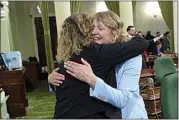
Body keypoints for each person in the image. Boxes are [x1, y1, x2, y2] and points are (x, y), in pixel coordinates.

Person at [50, 11, 148, 119]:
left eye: (100, 28)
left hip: (128, 115)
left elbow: (123, 100)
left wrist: (92, 80)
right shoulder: (91, 53)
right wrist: (52, 79)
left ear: (114, 31)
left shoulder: (131, 57)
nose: (94, 32)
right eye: (92, 28)